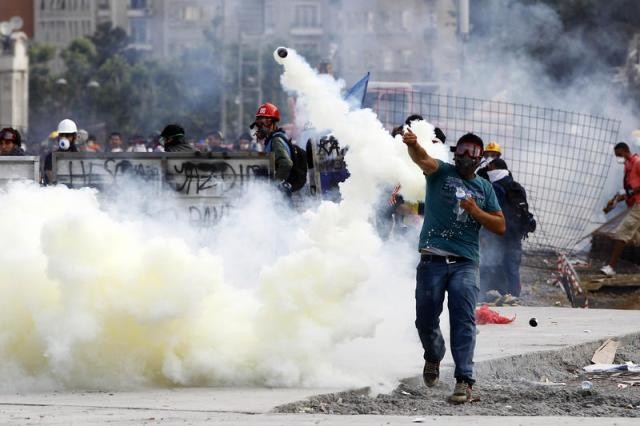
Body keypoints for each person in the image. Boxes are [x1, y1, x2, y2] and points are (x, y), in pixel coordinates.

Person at [400, 129, 505, 403]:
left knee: (463, 320)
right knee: (425, 319)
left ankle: (464, 380)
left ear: (480, 158)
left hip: (465, 264)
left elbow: (500, 225)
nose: (464, 158)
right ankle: (433, 355)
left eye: (471, 153)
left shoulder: (484, 188)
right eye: (461, 152)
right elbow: (422, 158)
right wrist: (413, 145)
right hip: (432, 260)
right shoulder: (441, 173)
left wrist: (476, 212)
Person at [479, 159, 526, 299]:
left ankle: (486, 296)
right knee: (513, 270)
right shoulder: (517, 187)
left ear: (494, 168)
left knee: (490, 266)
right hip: (516, 237)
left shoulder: (495, 187)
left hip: (498, 237)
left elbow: (490, 212)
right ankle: (514, 298)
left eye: (489, 168)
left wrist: (482, 235)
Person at [601, 142, 640, 276]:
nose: (619, 158)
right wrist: (614, 202)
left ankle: (611, 268)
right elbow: (627, 190)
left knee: (622, 233)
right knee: (636, 237)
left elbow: (632, 190)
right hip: (633, 204)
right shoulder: (627, 166)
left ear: (625, 150)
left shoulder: (637, 163)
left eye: (619, 155)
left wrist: (631, 192)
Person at [250, 102, 294, 191]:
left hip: (280, 196)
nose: (260, 126)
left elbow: (286, 164)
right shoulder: (272, 140)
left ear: (272, 123)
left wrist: (273, 187)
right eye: (259, 122)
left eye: (264, 122)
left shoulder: (276, 140)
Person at [44, 119, 79, 184]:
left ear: (74, 137)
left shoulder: (81, 157)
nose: (64, 138)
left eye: (67, 135)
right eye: (62, 135)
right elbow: (51, 182)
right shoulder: (50, 157)